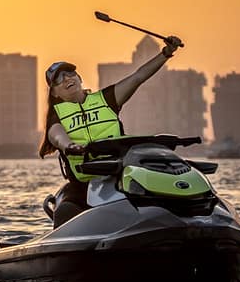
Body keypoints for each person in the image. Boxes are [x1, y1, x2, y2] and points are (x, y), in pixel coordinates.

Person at [39, 36, 183, 227]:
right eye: (58, 78)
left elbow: (139, 76)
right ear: (55, 93)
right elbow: (56, 136)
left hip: (120, 175)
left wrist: (165, 54)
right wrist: (69, 146)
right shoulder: (56, 116)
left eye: (70, 73)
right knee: (65, 210)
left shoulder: (107, 99)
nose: (66, 78)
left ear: (80, 79)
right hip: (84, 184)